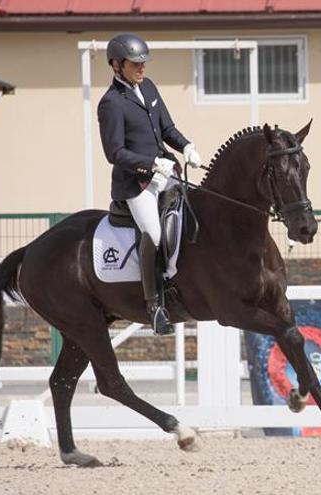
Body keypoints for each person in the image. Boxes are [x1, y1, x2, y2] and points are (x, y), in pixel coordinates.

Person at [97, 33, 202, 335]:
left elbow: (167, 128)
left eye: (144, 63)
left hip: (166, 172)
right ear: (117, 66)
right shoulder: (111, 103)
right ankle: (154, 306)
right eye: (135, 64)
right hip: (136, 184)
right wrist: (152, 164)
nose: (142, 68)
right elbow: (114, 153)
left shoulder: (150, 87)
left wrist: (186, 147)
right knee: (154, 234)